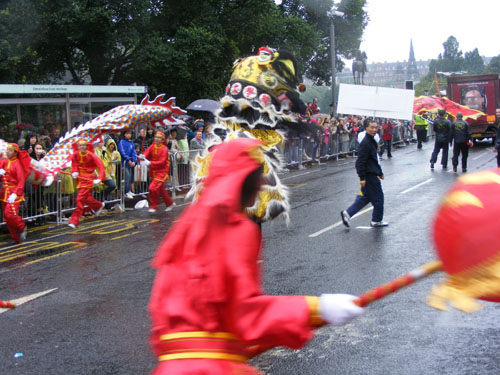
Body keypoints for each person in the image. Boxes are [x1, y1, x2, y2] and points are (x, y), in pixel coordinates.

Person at [148, 138, 364, 375]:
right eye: (258, 174)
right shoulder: (236, 227)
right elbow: (246, 314)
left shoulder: (187, 226)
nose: (262, 182)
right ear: (245, 180)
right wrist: (317, 308)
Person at [341, 120, 388, 228]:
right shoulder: (366, 143)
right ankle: (376, 220)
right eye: (371, 127)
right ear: (366, 128)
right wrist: (362, 177)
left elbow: (374, 159)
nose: (374, 130)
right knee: (378, 198)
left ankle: (348, 213)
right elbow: (360, 162)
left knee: (366, 197)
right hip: (369, 175)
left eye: (376, 127)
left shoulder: (372, 141)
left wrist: (380, 172)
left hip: (372, 173)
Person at [67, 139, 106, 229]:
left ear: (87, 146)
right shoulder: (75, 155)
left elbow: (100, 166)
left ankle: (74, 220)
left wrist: (99, 178)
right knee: (86, 198)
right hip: (80, 179)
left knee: (80, 199)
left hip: (88, 179)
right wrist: (75, 171)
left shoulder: (91, 155)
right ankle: (98, 205)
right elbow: (74, 164)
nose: (82, 147)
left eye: (84, 145)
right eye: (80, 145)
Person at [141, 131, 175, 213]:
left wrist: (149, 163)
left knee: (152, 187)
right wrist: (142, 156)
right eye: (156, 137)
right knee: (161, 190)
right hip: (154, 171)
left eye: (159, 138)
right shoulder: (152, 146)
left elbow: (162, 162)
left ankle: (153, 205)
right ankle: (170, 203)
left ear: (162, 140)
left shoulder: (164, 149)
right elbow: (146, 153)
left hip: (162, 171)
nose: (156, 139)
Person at [0, 143, 28, 243]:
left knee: (9, 214)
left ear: (15, 152)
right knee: (7, 218)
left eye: (10, 150)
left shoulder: (17, 164)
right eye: (7, 150)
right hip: (5, 192)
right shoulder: (4, 161)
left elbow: (21, 181)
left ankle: (21, 225)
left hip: (14, 193)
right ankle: (16, 238)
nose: (7, 152)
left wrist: (16, 193)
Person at [101, 138, 121, 209]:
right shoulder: (105, 152)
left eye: (113, 144)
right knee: (111, 186)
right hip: (106, 173)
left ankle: (108, 206)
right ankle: (105, 202)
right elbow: (104, 162)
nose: (112, 146)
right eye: (110, 144)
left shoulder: (116, 153)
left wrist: (115, 161)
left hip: (113, 173)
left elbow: (119, 161)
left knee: (112, 189)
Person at [118, 129, 137, 199]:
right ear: (124, 134)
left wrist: (134, 161)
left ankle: (128, 190)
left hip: (129, 163)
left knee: (130, 177)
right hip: (124, 163)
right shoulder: (121, 142)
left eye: (130, 133)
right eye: (127, 133)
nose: (129, 135)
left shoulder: (131, 142)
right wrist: (128, 160)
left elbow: (134, 152)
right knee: (127, 176)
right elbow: (122, 152)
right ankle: (126, 191)